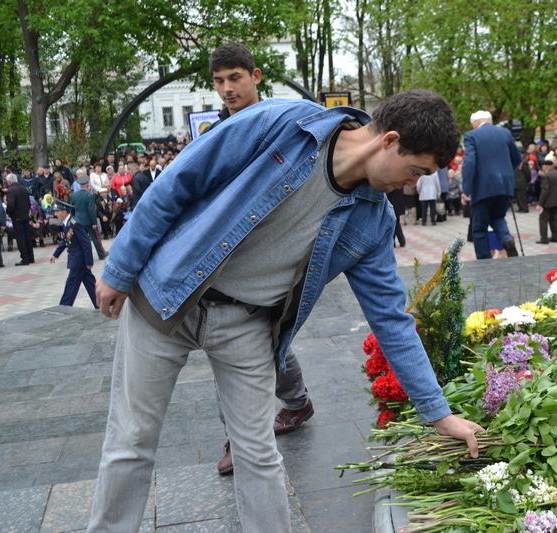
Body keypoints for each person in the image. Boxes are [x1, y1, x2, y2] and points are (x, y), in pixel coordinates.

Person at [88, 90, 482, 533]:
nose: (412, 185)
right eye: (416, 171)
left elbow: (391, 319)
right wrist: (120, 268)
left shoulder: (374, 221)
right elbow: (180, 180)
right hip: (170, 292)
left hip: (249, 325)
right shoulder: (283, 123)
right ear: (389, 140)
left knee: (257, 453)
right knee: (132, 440)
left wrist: (438, 412)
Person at [199, 43, 315, 477]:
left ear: (256, 75)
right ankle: (237, 438)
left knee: (271, 339)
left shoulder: (284, 125)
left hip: (278, 254)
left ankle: (297, 401)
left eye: (235, 78)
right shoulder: (213, 135)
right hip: (226, 260)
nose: (227, 88)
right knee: (225, 343)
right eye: (219, 81)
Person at [461, 110, 521, 259]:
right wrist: (506, 172)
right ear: (490, 120)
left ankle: (483, 260)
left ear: (475, 123)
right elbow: (517, 158)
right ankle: (507, 239)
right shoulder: (505, 133)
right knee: (498, 217)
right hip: (505, 185)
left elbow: (470, 162)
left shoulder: (471, 135)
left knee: (479, 226)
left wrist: (466, 189)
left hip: (483, 187)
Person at [49, 199, 98, 308]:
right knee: (90, 283)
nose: (55, 214)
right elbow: (65, 240)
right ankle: (101, 303)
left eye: (57, 211)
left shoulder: (75, 223)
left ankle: (64, 307)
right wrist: (55, 254)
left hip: (78, 261)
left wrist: (89, 261)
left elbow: (86, 243)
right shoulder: (67, 223)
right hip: (77, 260)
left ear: (64, 211)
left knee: (71, 285)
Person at [70, 172, 107, 260]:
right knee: (95, 238)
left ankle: (79, 256)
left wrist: (73, 219)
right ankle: (101, 254)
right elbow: (91, 210)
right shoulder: (89, 195)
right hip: (88, 220)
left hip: (78, 219)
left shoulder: (74, 195)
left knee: (79, 239)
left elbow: (72, 208)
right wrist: (94, 222)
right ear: (87, 185)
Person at [5, 174, 35, 266]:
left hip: (17, 216)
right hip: (25, 215)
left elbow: (11, 204)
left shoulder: (11, 190)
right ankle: (31, 257)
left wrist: (8, 212)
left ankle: (24, 258)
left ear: (9, 182)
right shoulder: (23, 188)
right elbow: (28, 202)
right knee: (27, 237)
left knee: (20, 238)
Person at [536, 159, 557, 243]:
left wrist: (540, 203)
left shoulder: (546, 176)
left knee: (543, 220)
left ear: (545, 166)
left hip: (547, 202)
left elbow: (545, 190)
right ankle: (555, 236)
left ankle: (544, 238)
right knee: (554, 219)